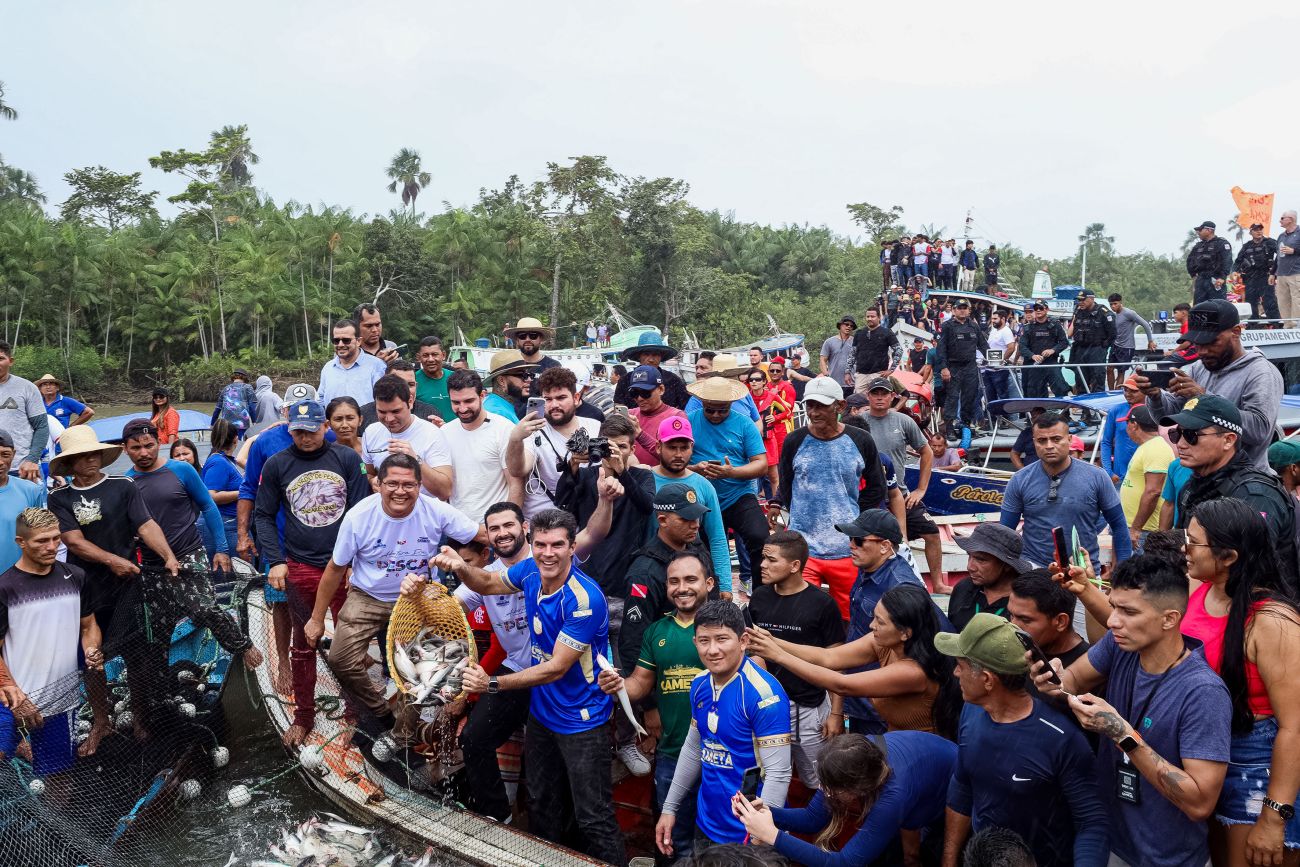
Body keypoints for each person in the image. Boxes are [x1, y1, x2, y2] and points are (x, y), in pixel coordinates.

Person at [443, 508, 624, 866]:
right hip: (543, 714)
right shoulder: (529, 570)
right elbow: (487, 583)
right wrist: (461, 568)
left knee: (593, 816)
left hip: (581, 721)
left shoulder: (584, 600)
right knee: (541, 802)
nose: (548, 553)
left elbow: (555, 668)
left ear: (572, 547)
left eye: (557, 545)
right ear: (531, 542)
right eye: (540, 545)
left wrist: (491, 682)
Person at [1031, 555, 1231, 867]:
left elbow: (1200, 803)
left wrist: (1122, 734)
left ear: (1169, 619)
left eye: (1128, 612)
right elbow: (1072, 680)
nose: (1112, 621)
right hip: (1114, 842)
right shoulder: (1121, 646)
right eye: (1114, 606)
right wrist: (1052, 678)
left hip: (1168, 858)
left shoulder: (1203, 692)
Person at [303, 454, 478, 747]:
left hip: (417, 598)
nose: (400, 491)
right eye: (392, 483)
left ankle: (402, 735)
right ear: (378, 484)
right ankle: (382, 712)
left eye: (408, 485)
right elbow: (335, 568)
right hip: (367, 595)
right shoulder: (359, 516)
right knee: (340, 659)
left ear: (420, 486)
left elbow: (478, 534)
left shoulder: (435, 509)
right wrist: (316, 618)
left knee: (424, 669)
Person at [1177, 498, 1300, 864]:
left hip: (1255, 764)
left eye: (1193, 542)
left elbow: (1295, 726)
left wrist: (1274, 816)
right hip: (1208, 753)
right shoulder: (1199, 588)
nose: (1184, 548)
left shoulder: (1273, 621)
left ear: (1229, 557)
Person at [46, 426, 179, 755]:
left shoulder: (123, 486)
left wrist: (168, 556)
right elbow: (74, 541)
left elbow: (146, 525)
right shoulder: (59, 497)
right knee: (93, 657)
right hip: (86, 587)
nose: (90, 460)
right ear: (70, 463)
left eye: (94, 453)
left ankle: (140, 718)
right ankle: (101, 721)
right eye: (82, 456)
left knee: (137, 654)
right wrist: (112, 561)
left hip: (126, 586)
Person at [937, 613, 1109, 867]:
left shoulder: (1061, 739)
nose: (955, 672)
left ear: (987, 680)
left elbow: (1092, 823)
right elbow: (962, 786)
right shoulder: (971, 711)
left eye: (960, 665)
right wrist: (949, 860)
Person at [254, 398, 371, 748]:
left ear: (325, 427)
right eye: (298, 432)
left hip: (343, 564)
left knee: (350, 644)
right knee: (303, 643)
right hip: (301, 563)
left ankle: (355, 714)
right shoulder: (277, 464)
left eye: (311, 431)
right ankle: (303, 715)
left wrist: (356, 561)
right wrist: (275, 560)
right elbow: (263, 514)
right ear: (290, 430)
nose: (305, 438)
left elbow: (361, 511)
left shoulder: (346, 458)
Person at [599, 550, 711, 860]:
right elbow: (639, 683)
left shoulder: (726, 625)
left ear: (709, 583)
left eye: (690, 579)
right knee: (673, 843)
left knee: (717, 845)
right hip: (673, 752)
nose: (682, 588)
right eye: (674, 581)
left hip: (722, 757)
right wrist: (617, 686)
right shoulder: (657, 631)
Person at [657, 599, 792, 855]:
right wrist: (669, 807)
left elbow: (779, 772)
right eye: (704, 641)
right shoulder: (699, 684)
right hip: (707, 824)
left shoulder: (764, 695)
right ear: (695, 642)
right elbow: (693, 748)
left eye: (722, 639)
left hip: (750, 834)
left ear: (743, 641)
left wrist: (760, 838)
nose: (712, 650)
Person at [748, 581, 961, 739]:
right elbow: (828, 657)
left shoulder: (914, 672)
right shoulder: (884, 641)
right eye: (874, 617)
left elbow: (842, 684)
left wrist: (778, 655)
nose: (871, 626)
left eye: (880, 622)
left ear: (905, 633)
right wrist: (772, 640)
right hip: (895, 740)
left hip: (924, 750)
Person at [733, 729, 956, 867]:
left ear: (858, 790)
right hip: (924, 779)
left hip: (951, 800)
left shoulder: (891, 798)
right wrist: (768, 813)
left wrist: (772, 835)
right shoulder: (847, 759)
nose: (824, 792)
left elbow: (846, 863)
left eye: (830, 791)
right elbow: (812, 819)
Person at [0, 508, 104, 779]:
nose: (52, 547)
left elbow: (89, 626)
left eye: (56, 538)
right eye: (42, 541)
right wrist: (12, 691)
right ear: (21, 542)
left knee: (59, 776)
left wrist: (91, 648)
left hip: (61, 700)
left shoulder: (76, 576)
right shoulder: (5, 588)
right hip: (12, 699)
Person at [775, 376, 887, 617]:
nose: (814, 412)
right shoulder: (795, 440)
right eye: (810, 405)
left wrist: (854, 520)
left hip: (846, 548)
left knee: (850, 615)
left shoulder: (860, 440)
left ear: (840, 406)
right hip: (803, 548)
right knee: (802, 615)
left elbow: (877, 488)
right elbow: (786, 485)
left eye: (821, 406)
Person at [1160, 394, 1298, 579]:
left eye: (1191, 435)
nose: (1180, 444)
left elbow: (1253, 574)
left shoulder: (1255, 496)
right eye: (1176, 434)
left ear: (1228, 440)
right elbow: (1184, 552)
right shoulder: (1191, 487)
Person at [747, 531, 846, 787]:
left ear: (794, 566)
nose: (762, 565)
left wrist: (836, 713)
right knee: (769, 777)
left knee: (820, 781)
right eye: (763, 558)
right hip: (767, 709)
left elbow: (838, 663)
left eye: (771, 560)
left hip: (809, 710)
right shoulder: (759, 597)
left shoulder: (822, 604)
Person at [829, 509, 940, 735]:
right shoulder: (868, 570)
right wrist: (838, 710)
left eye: (859, 540)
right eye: (850, 538)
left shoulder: (901, 588)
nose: (851, 545)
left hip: (883, 708)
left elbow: (922, 655)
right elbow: (853, 639)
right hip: (861, 698)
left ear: (885, 546)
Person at [1138, 299, 1283, 470]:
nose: (1202, 352)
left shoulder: (1260, 372)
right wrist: (1156, 397)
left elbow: (1259, 431)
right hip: (1204, 478)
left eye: (1212, 342)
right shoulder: (1199, 368)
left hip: (1246, 479)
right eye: (1197, 344)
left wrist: (1203, 397)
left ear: (1236, 332)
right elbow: (1172, 415)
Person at [1000, 412, 1133, 572]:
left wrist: (1123, 574)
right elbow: (1005, 532)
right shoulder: (1020, 480)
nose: (1049, 446)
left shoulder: (1097, 476)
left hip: (1084, 571)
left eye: (1056, 439)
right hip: (1034, 571)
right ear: (1034, 442)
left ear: (1069, 440)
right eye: (1042, 440)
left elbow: (1119, 526)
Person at [857, 377, 948, 593]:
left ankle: (938, 584)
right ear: (868, 396)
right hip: (869, 498)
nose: (880, 398)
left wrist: (921, 489)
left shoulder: (904, 421)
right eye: (875, 393)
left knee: (932, 533)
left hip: (901, 494)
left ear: (892, 396)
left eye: (884, 393)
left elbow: (926, 452)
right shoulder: (859, 422)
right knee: (866, 543)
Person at [684, 375, 769, 594]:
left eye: (722, 410)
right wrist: (695, 469)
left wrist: (732, 472)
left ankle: (761, 594)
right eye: (710, 410)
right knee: (701, 549)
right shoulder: (689, 421)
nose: (715, 415)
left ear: (731, 404)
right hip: (701, 498)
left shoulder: (744, 423)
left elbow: (761, 464)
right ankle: (709, 597)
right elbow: (674, 461)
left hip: (737, 495)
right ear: (702, 403)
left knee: (760, 536)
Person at [650, 417, 734, 594]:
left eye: (684, 448)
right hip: (652, 574)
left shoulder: (704, 486)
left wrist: (725, 584)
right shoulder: (644, 480)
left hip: (690, 577)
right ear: (658, 447)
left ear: (692, 448)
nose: (678, 454)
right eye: (672, 447)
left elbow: (717, 537)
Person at [507, 366, 602, 519]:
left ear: (576, 398)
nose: (554, 405)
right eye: (548, 399)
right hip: (542, 521)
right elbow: (518, 470)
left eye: (561, 398)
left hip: (585, 520)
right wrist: (515, 439)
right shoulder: (533, 431)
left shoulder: (595, 427)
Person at [361, 374, 452, 500]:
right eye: (382, 412)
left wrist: (415, 459)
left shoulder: (432, 434)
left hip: (423, 509)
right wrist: (372, 481)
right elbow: (366, 470)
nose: (389, 419)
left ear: (410, 401)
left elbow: (445, 491)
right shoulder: (370, 432)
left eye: (396, 411)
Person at [441, 369, 516, 521]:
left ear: (482, 396)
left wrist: (508, 523)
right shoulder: (444, 432)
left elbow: (515, 483)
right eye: (456, 402)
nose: (462, 408)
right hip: (457, 525)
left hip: (495, 525)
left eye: (469, 401)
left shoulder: (504, 429)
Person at [949, 523, 1033, 631]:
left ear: (1007, 565)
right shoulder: (963, 588)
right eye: (969, 556)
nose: (970, 567)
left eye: (981, 560)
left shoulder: (1025, 602)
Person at [1119, 406, 1173, 553]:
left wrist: (1136, 528)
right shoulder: (1148, 446)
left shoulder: (1156, 448)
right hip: (1138, 528)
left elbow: (1153, 491)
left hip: (1144, 531)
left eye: (1127, 423)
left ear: (1134, 425)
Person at [937, 299, 989, 436]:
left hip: (971, 367)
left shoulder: (974, 326)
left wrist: (993, 358)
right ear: (954, 310)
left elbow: (983, 345)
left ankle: (965, 426)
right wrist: (943, 368)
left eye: (964, 308)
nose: (962, 310)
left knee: (970, 397)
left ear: (968, 310)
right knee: (952, 398)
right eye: (959, 308)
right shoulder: (947, 326)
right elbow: (941, 349)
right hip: (953, 367)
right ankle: (949, 428)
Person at [0, 344, 48, 482]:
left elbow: (42, 426)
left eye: (0, 358)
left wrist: (32, 460)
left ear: (11, 361)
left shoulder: (27, 388)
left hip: (22, 469)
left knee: (31, 497)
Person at [0, 433, 44, 573]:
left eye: (5, 455)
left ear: (13, 455)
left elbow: (39, 534)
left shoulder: (31, 491)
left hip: (20, 578)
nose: (0, 462)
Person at [626, 365, 686, 467]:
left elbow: (676, 458)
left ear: (661, 389)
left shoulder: (676, 417)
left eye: (645, 393)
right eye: (634, 393)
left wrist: (640, 435)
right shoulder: (629, 415)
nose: (639, 398)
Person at [201, 419, 244, 560]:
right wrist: (244, 493)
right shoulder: (218, 462)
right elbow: (212, 496)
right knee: (232, 571)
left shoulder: (226, 460)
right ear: (236, 439)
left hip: (231, 523)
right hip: (226, 524)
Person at [318, 318, 387, 405]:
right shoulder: (328, 368)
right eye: (336, 341)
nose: (340, 344)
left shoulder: (377, 366)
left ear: (358, 341)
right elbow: (320, 400)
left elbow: (383, 400)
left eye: (346, 340)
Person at [359, 359, 441, 429]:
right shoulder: (364, 415)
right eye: (399, 384)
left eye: (411, 384)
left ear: (416, 385)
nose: (406, 389)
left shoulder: (430, 413)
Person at [617, 331, 689, 409]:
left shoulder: (674, 380)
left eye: (655, 354)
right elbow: (619, 407)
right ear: (639, 356)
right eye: (646, 354)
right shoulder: (625, 380)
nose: (651, 359)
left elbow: (686, 407)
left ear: (661, 357)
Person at [747, 368, 791, 496]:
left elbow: (788, 411)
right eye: (751, 380)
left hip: (768, 439)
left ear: (764, 382)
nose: (754, 382)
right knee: (750, 476)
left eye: (757, 379)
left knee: (773, 476)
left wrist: (775, 417)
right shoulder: (746, 397)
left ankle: (775, 502)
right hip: (750, 440)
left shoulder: (771, 396)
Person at [1069, 290, 1116, 397]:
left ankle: (1097, 405)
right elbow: (1072, 331)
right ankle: (1083, 406)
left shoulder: (1103, 312)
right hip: (1080, 349)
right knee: (1080, 379)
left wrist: (1103, 347)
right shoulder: (1078, 311)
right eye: (1079, 300)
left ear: (1091, 299)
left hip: (1096, 349)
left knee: (1097, 379)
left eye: (1083, 300)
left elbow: (1112, 333)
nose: (1080, 302)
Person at [1020, 303, 1071, 398]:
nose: (1038, 310)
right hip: (1035, 364)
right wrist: (1032, 355)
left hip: (1051, 363)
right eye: (1036, 308)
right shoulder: (1028, 327)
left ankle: (1063, 407)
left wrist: (1053, 350)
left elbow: (1064, 342)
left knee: (1060, 388)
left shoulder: (1055, 325)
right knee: (1034, 393)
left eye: (1041, 308)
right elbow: (1022, 347)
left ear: (1047, 309)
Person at [1107, 294, 1158, 389]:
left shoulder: (1129, 313)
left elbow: (1145, 324)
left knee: (1121, 372)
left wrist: (1150, 341)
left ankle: (1116, 392)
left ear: (1120, 302)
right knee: (1109, 369)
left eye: (1115, 304)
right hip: (1115, 345)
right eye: (1111, 304)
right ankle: (1110, 392)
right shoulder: (1112, 315)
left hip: (1127, 347)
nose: (1113, 306)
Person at [1101, 377, 1145, 485]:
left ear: (1145, 391)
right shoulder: (1116, 411)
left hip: (1145, 475)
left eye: (1133, 391)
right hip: (1119, 477)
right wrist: (1108, 472)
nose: (1128, 394)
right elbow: (1106, 442)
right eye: (1125, 390)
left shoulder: (1154, 411)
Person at [1233, 224, 1280, 322]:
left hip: (1266, 277)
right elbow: (1238, 261)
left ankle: (1276, 324)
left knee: (1269, 302)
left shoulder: (1270, 242)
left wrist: (1275, 270)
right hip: (1250, 278)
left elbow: (1280, 254)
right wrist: (1235, 272)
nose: (1259, 231)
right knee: (1251, 303)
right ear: (1251, 232)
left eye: (1260, 229)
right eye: (1256, 230)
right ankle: (1252, 325)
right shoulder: (1246, 246)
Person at [851, 309, 901, 394]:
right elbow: (852, 353)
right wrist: (848, 371)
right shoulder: (859, 333)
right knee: (859, 400)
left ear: (879, 317)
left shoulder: (887, 332)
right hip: (861, 375)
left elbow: (898, 350)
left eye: (872, 316)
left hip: (878, 374)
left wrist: (891, 369)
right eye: (868, 316)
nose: (870, 319)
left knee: (878, 398)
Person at [1187, 220, 1234, 304]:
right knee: (1199, 306)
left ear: (1209, 230)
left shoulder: (1222, 244)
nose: (1198, 232)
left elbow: (1227, 261)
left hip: (1216, 279)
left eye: (1201, 230)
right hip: (1201, 279)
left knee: (1217, 305)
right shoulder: (1198, 246)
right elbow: (1190, 260)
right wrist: (1193, 275)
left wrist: (1222, 277)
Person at [483, 349, 536, 423]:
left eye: (529, 375)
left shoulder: (498, 405)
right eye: (522, 375)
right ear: (501, 381)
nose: (529, 379)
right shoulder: (497, 413)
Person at [982, 310, 1017, 414]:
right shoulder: (994, 330)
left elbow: (1011, 347)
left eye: (995, 319)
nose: (993, 321)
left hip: (1000, 370)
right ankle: (992, 418)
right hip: (989, 368)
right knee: (989, 396)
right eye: (992, 319)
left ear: (1003, 319)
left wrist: (1002, 361)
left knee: (1002, 396)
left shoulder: (1006, 331)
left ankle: (1004, 418)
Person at [414, 335, 453, 423]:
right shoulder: (413, 381)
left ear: (443, 355)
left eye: (435, 354)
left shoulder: (455, 378)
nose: (430, 359)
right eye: (425, 355)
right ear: (419, 358)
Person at [212, 368, 259, 437]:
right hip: (242, 425)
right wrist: (254, 422)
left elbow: (217, 408)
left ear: (233, 377)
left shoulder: (225, 388)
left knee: (227, 443)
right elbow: (252, 407)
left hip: (226, 426)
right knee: (240, 443)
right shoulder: (248, 387)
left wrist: (212, 424)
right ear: (245, 377)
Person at [820, 316, 857, 396]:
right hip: (834, 382)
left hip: (851, 383)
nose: (849, 327)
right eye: (846, 324)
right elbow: (823, 359)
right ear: (840, 325)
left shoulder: (856, 342)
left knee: (850, 403)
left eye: (851, 326)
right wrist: (826, 374)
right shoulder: (829, 342)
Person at [1276, 210, 1300, 326]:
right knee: (1283, 302)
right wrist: (1272, 272)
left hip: (1296, 273)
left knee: (1297, 301)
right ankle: (1287, 327)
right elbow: (1278, 255)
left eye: (1282, 218)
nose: (1279, 220)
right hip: (1281, 274)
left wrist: (1294, 251)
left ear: (1290, 219)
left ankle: (1297, 327)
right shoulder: (1281, 236)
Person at [325, 396, 364, 465]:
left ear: (360, 420)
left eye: (350, 418)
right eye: (338, 419)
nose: (344, 425)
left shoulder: (371, 446)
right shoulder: (327, 455)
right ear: (329, 424)